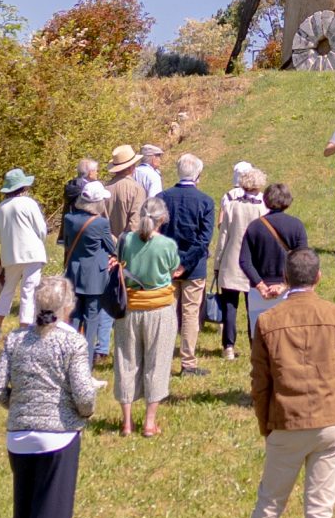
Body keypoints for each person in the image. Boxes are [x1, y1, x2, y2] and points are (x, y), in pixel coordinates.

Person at [214, 248, 335, 518]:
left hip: (286, 421)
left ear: (285, 277)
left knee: (270, 504)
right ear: (318, 278)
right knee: (320, 509)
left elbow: (259, 383)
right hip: (331, 421)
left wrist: (266, 423)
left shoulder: (268, 320)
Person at [0, 275, 98, 518]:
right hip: (58, 437)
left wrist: (17, 405)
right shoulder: (72, 343)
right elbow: (83, 393)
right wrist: (85, 411)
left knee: (24, 509)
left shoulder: (17, 338)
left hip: (19, 436)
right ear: (68, 306)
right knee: (51, 514)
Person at [114, 206, 180, 437]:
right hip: (159, 308)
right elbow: (172, 270)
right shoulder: (168, 245)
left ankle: (126, 423)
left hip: (130, 308)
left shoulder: (125, 240)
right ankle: (149, 423)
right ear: (163, 219)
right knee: (157, 362)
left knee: (126, 362)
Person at [155, 153, 216, 376]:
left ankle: (161, 359)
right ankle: (188, 362)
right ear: (198, 174)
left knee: (167, 311)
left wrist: (173, 264)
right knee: (190, 314)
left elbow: (156, 233)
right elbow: (204, 238)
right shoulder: (205, 201)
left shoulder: (162, 197)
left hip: (166, 266)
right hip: (194, 266)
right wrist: (186, 263)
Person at [58, 177, 121, 366]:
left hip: (74, 272)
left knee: (75, 316)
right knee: (92, 318)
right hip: (95, 275)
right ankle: (85, 361)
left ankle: (70, 356)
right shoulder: (100, 224)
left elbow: (68, 245)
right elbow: (112, 247)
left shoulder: (69, 219)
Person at [211, 164, 269, 360]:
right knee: (253, 307)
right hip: (254, 264)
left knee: (229, 306)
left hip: (231, 261)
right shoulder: (262, 208)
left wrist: (217, 263)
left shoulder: (232, 206)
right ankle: (255, 345)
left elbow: (223, 237)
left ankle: (228, 346)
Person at [239, 182, 313, 329]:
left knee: (259, 340)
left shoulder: (254, 226)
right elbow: (302, 261)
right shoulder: (296, 225)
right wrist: (284, 285)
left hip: (258, 292)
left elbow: (244, 261)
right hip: (289, 290)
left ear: (266, 200)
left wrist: (260, 286)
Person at [0, 169, 47, 337]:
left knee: (7, 289)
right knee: (29, 290)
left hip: (10, 253)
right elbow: (41, 229)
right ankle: (24, 329)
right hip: (32, 252)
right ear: (23, 186)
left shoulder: (2, 207)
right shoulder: (29, 204)